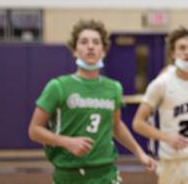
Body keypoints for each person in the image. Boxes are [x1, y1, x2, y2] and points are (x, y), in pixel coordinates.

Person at [28, 19, 157, 183]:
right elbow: (34, 130)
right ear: (75, 50)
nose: (90, 46)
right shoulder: (58, 86)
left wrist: (140, 153)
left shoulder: (113, 88)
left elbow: (116, 125)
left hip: (105, 173)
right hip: (69, 174)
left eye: (96, 42)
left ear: (103, 51)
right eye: (84, 42)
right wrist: (66, 142)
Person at [132, 28, 188, 184]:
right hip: (170, 162)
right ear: (172, 53)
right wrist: (166, 137)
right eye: (182, 48)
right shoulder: (162, 83)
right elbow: (138, 123)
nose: (187, 52)